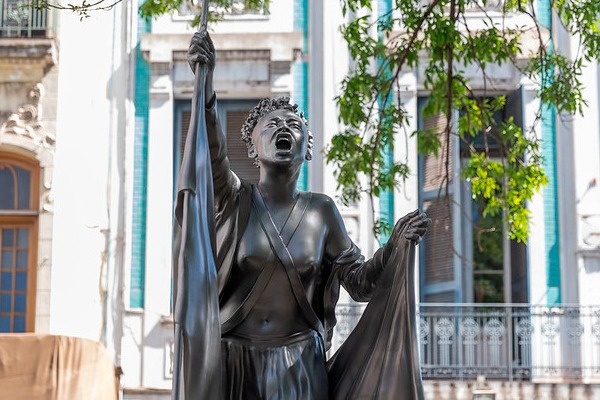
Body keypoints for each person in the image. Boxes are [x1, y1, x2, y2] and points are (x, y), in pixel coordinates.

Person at [186, 29, 430, 399]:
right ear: (252, 148)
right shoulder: (235, 200)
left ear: (307, 149)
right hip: (234, 361)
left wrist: (394, 246)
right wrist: (204, 88)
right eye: (273, 125)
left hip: (299, 364)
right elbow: (210, 151)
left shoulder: (321, 211)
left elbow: (360, 284)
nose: (284, 128)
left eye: (293, 125)